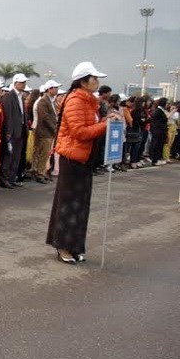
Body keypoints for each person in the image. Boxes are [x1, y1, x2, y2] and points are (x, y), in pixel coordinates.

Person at [46, 62, 115, 264]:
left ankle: (74, 245)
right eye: (94, 79)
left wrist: (105, 121)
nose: (97, 82)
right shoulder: (76, 101)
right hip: (72, 158)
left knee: (80, 205)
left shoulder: (89, 101)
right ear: (83, 81)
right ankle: (63, 246)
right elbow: (79, 132)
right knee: (69, 204)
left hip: (84, 158)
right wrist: (104, 125)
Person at [0, 73, 29, 188]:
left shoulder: (21, 96)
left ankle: (12, 178)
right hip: (11, 132)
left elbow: (23, 114)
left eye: (24, 82)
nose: (23, 85)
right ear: (15, 83)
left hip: (21, 130)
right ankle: (5, 178)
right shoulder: (8, 96)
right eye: (21, 83)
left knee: (17, 155)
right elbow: (8, 115)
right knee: (9, 156)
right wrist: (8, 131)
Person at [33, 80, 61, 183]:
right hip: (45, 132)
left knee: (45, 154)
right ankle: (39, 173)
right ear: (49, 89)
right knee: (43, 153)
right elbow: (45, 117)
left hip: (48, 132)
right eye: (55, 88)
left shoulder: (50, 100)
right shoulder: (43, 101)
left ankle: (41, 172)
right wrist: (54, 128)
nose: (57, 90)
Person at [149, 98, 168, 166]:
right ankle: (154, 160)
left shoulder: (161, 110)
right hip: (158, 131)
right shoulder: (158, 111)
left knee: (159, 145)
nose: (168, 105)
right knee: (156, 145)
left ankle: (157, 159)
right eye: (167, 103)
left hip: (161, 131)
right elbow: (154, 121)